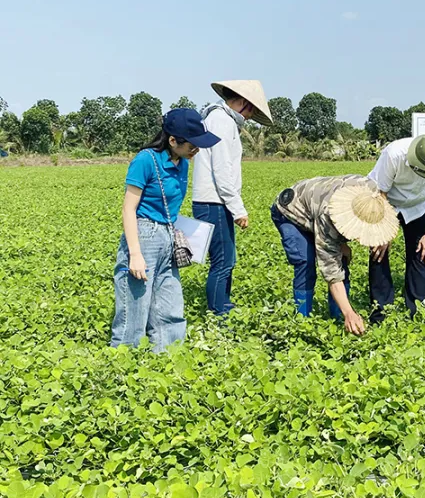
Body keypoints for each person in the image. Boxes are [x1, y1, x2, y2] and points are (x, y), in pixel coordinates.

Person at [111, 109, 221, 352]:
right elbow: (129, 209)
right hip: (144, 235)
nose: (197, 150)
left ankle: (167, 360)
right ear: (172, 141)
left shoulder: (182, 163)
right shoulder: (145, 160)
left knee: (169, 307)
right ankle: (122, 366)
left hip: (168, 235)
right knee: (134, 309)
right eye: (193, 145)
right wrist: (135, 254)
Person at [271, 175, 399, 336]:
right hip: (290, 212)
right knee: (305, 262)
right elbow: (332, 273)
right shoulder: (327, 216)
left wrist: (345, 243)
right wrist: (350, 313)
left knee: (342, 259)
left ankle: (337, 317)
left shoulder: (371, 191)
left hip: (316, 207)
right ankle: (302, 322)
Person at [192, 80, 273, 316]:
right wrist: (238, 209)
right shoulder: (221, 121)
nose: (249, 118)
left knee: (226, 260)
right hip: (214, 201)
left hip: (215, 201)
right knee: (223, 262)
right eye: (251, 112)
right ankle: (218, 314)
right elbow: (222, 170)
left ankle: (223, 306)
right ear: (244, 103)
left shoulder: (219, 119)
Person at [367, 134, 425, 322]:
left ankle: (419, 307)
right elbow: (380, 191)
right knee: (379, 251)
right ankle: (380, 309)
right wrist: (385, 231)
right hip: (385, 202)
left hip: (417, 207)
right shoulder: (395, 153)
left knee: (423, 254)